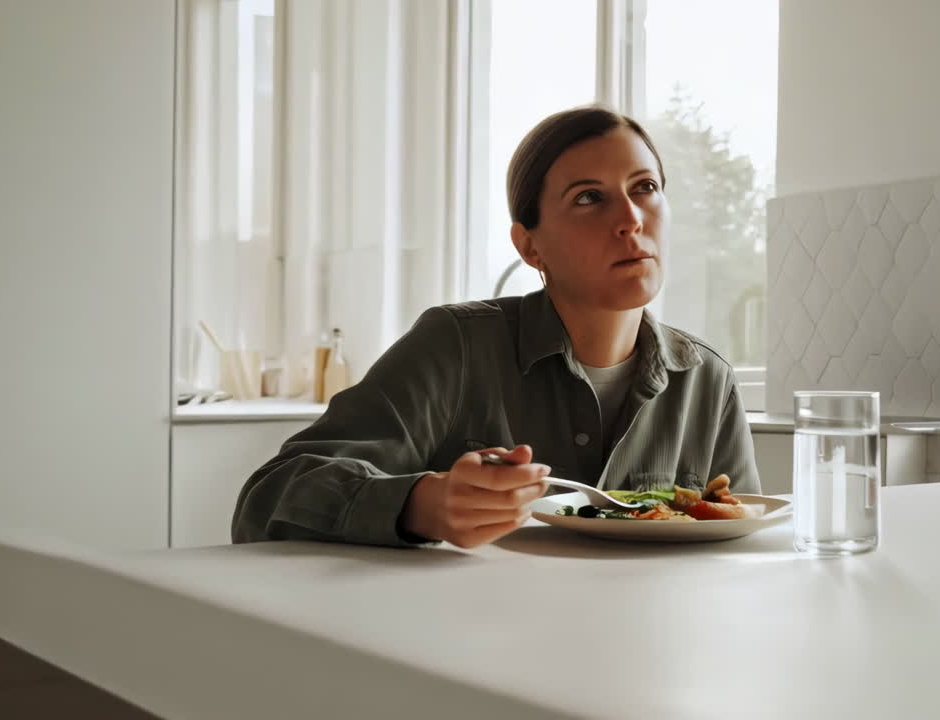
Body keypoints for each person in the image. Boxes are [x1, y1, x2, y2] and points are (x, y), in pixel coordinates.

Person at [232, 106, 760, 549]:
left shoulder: (707, 381)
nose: (630, 217)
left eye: (644, 187)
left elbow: (742, 541)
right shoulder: (456, 346)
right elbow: (265, 500)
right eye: (588, 197)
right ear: (529, 245)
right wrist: (419, 505)